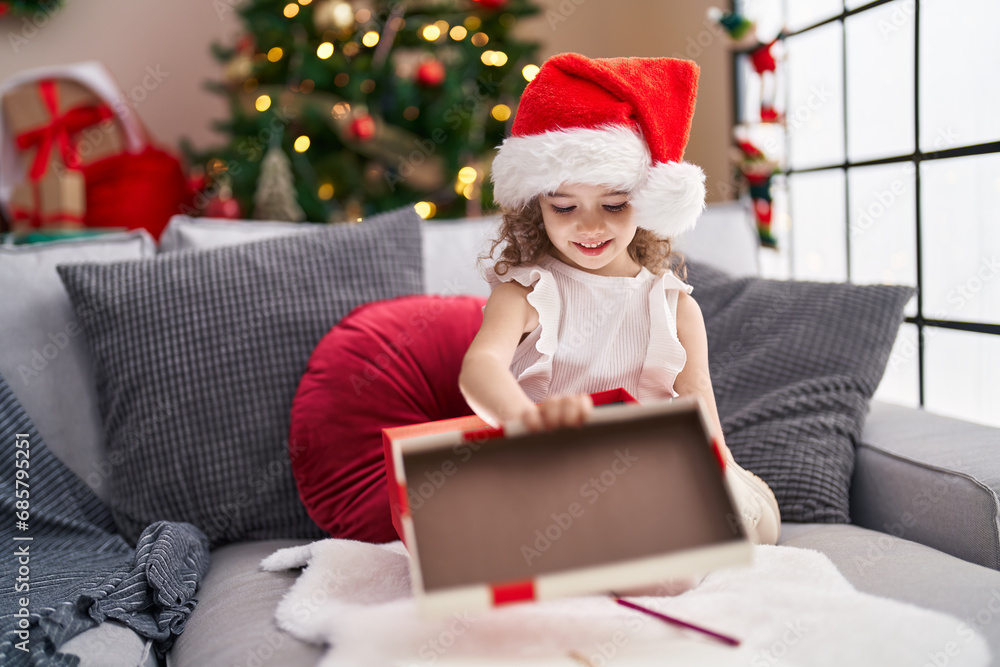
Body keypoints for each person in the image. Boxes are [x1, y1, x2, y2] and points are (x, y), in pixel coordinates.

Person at [458, 52, 780, 546]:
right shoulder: (524, 293)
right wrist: (527, 423)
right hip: (551, 476)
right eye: (564, 207)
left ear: (648, 200)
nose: (590, 226)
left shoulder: (675, 307)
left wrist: (725, 482)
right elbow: (478, 370)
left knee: (754, 511)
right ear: (536, 206)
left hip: (654, 477)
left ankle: (674, 540)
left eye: (614, 204)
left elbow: (705, 424)